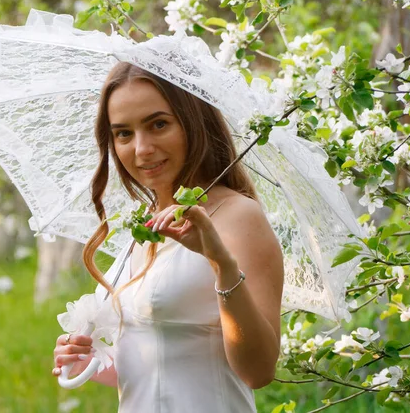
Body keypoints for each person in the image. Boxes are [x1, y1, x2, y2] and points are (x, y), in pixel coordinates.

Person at [52, 62, 284, 412]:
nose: (141, 149)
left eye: (158, 124)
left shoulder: (238, 216)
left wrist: (220, 262)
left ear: (194, 123)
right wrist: (90, 360)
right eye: (123, 134)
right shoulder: (142, 224)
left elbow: (258, 371)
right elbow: (159, 361)